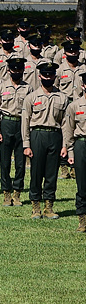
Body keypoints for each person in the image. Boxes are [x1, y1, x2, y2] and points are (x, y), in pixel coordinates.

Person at [23, 62, 70, 220]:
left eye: (50, 75)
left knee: (51, 174)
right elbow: (26, 122)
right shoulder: (31, 97)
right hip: (37, 135)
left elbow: (65, 124)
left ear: (55, 77)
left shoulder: (63, 98)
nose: (48, 77)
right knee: (36, 172)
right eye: (45, 75)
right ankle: (35, 205)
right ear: (39, 76)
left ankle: (49, 206)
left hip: (55, 136)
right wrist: (26, 145)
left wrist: (65, 145)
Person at [0, 57, 29, 206]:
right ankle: (6, 193)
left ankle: (17, 192)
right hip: (6, 123)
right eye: (14, 69)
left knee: (21, 163)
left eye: (19, 69)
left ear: (23, 71)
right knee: (5, 161)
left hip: (21, 124)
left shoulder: (28, 88)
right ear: (9, 70)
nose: (16, 72)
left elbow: (29, 112)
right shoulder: (1, 87)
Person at [61, 71, 86, 232]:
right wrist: (70, 152)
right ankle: (82, 219)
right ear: (83, 86)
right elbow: (68, 131)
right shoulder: (74, 106)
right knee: (82, 185)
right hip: (81, 145)